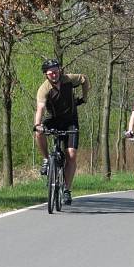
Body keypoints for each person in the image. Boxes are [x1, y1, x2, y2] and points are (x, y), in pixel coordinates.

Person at [34, 58, 90, 205]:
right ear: (46, 74)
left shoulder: (68, 80)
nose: (54, 74)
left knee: (71, 154)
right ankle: (47, 159)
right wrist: (37, 124)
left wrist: (84, 98)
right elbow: (40, 108)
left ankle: (66, 189)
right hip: (53, 119)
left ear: (60, 70)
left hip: (71, 121)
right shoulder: (44, 89)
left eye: (56, 71)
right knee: (38, 132)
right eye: (51, 73)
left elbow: (84, 79)